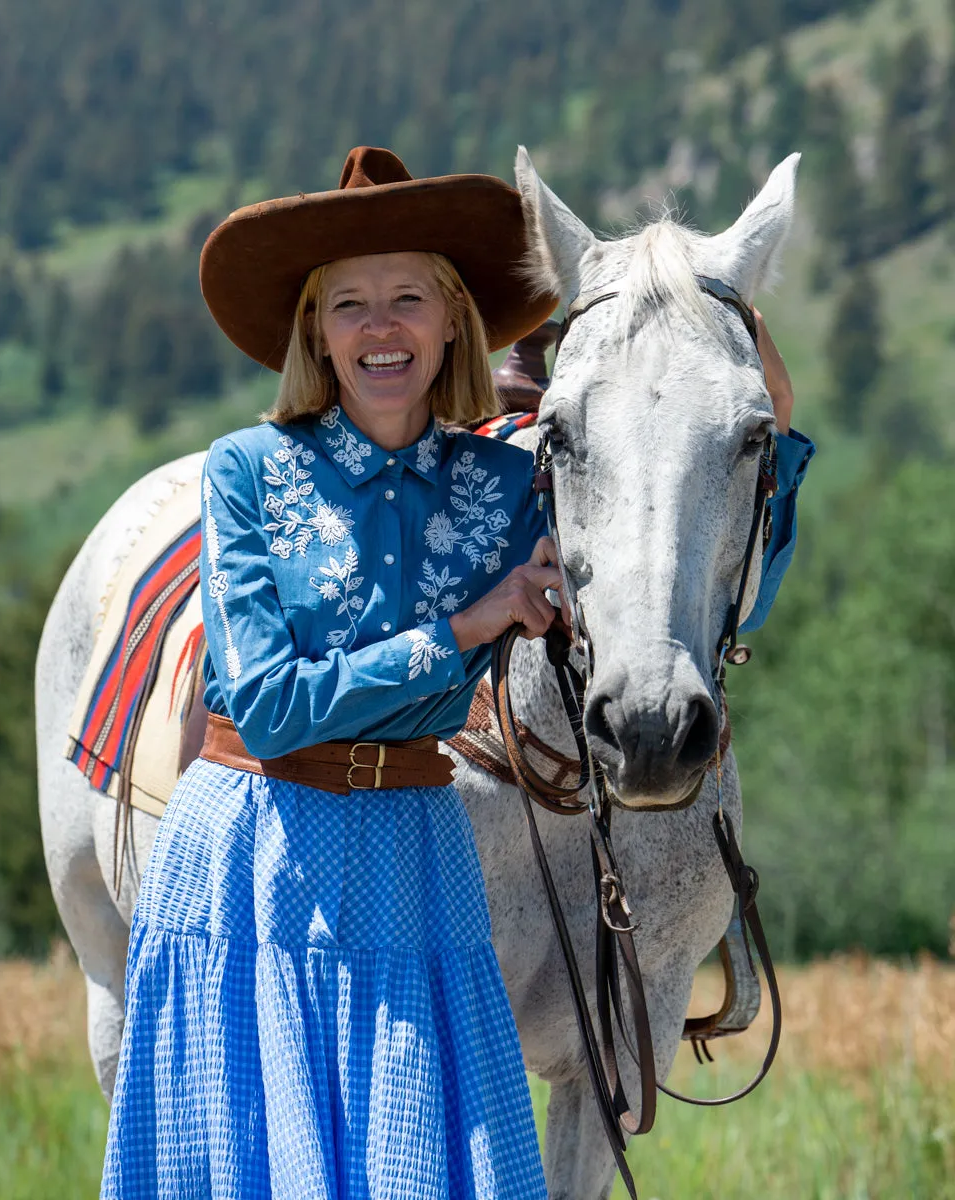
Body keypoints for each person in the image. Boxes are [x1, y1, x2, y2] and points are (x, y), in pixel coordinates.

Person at [100, 146, 813, 1199]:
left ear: (451, 325)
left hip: (416, 859)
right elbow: (263, 701)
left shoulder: (512, 480)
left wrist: (733, 360)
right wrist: (469, 626)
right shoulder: (247, 472)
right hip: (264, 847)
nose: (380, 327)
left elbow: (656, 501)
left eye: (408, 299)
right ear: (315, 330)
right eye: (350, 303)